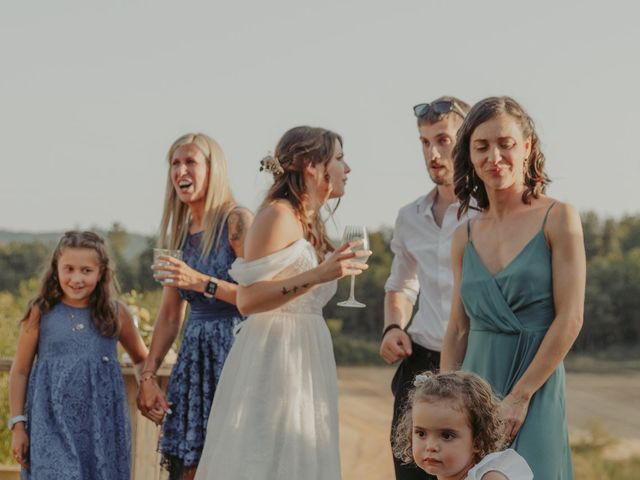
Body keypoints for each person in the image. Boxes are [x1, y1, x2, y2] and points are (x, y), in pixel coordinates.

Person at [194, 126, 370, 480]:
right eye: (338, 158)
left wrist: (331, 268)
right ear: (310, 165)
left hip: (307, 353)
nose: (346, 168)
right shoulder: (277, 215)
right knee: (263, 459)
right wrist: (319, 275)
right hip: (273, 356)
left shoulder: (311, 220)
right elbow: (247, 299)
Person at [441, 96, 585, 479]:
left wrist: (521, 397)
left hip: (535, 389)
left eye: (505, 143)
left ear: (527, 147)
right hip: (475, 388)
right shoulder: (463, 235)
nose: (495, 157)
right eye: (482, 146)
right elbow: (458, 328)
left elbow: (570, 318)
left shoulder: (559, 218)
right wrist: (445, 401)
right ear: (469, 156)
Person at [136, 133, 253, 480]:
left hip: (235, 354)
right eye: (174, 163)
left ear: (212, 169)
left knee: (232, 463)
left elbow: (260, 296)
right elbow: (170, 315)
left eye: (190, 162)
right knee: (188, 469)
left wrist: (199, 281)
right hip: (193, 361)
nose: (180, 170)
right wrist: (148, 374)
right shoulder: (179, 234)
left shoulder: (238, 221)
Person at [380, 96, 473, 480]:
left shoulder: (489, 213)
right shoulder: (409, 217)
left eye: (442, 140)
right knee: (411, 472)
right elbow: (401, 284)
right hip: (418, 365)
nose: (433, 153)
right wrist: (393, 327)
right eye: (424, 143)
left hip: (475, 364)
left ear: (466, 140)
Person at [8, 230, 148, 480]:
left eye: (86, 271)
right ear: (56, 269)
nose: (76, 278)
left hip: (101, 428)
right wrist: (18, 425)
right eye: (69, 269)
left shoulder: (115, 314)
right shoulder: (41, 311)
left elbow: (141, 359)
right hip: (49, 426)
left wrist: (147, 385)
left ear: (101, 272)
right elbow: (19, 370)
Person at [392, 371, 533, 480]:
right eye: (421, 433)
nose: (431, 446)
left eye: (446, 435)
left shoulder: (489, 476)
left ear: (478, 442)